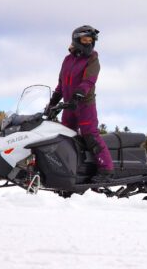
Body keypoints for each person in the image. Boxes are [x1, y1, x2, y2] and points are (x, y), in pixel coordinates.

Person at [47, 25, 114, 183]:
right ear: (76, 40)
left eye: (90, 40)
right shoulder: (67, 60)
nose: (88, 43)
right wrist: (53, 102)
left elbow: (88, 81)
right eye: (85, 40)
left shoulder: (92, 59)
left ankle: (106, 169)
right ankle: (71, 169)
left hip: (84, 105)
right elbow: (61, 84)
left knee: (90, 134)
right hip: (68, 106)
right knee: (65, 138)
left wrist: (78, 95)